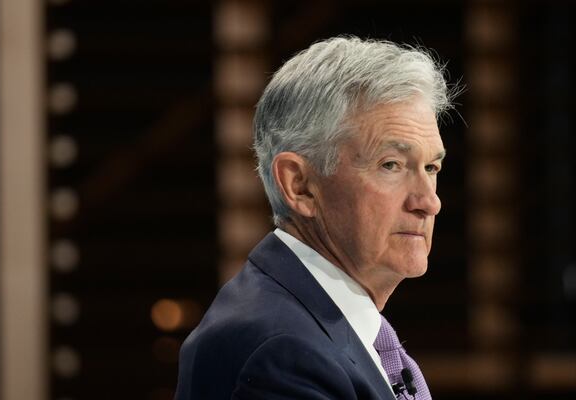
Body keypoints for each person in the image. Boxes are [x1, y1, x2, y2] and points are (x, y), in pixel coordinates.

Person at [175, 36, 457, 400]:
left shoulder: (312, 326)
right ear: (300, 186)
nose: (428, 201)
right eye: (391, 165)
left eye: (431, 166)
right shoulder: (281, 352)